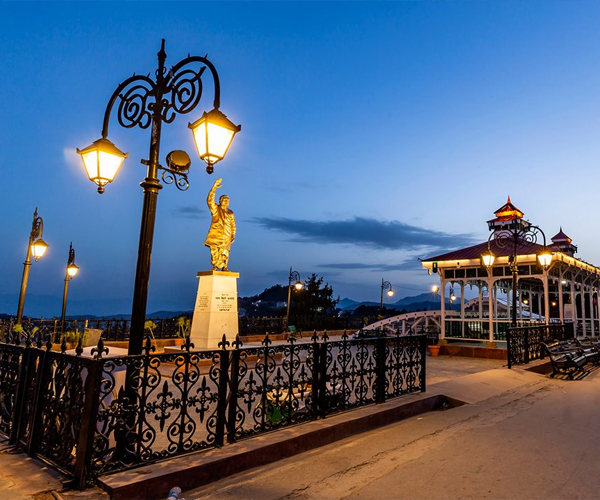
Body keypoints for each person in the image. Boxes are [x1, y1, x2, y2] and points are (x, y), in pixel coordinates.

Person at [205, 178, 236, 271]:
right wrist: (214, 188)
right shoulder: (216, 209)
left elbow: (233, 225)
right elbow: (210, 200)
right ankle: (215, 266)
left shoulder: (230, 212)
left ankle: (224, 267)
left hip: (227, 235)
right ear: (220, 201)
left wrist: (233, 234)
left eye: (227, 200)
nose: (226, 201)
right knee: (214, 250)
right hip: (216, 234)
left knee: (225, 252)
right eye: (224, 200)